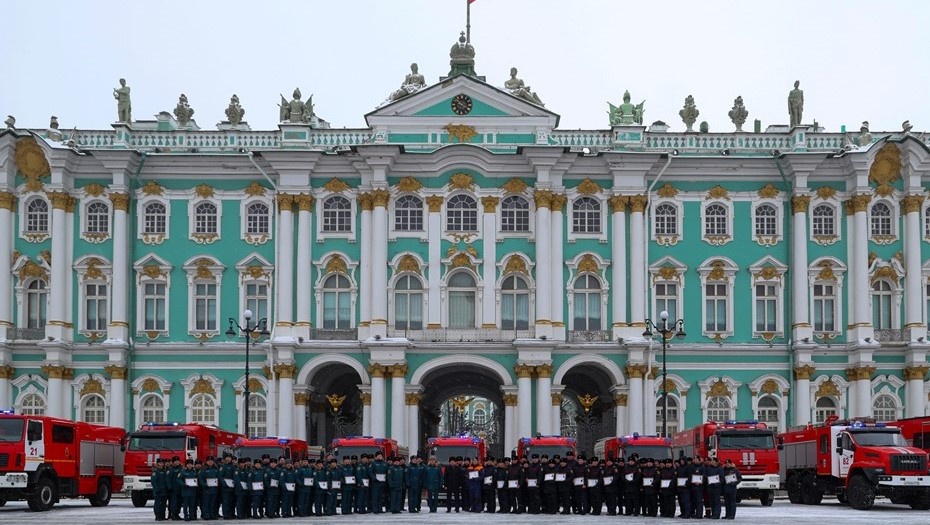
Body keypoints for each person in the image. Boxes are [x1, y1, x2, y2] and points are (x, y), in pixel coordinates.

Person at [198, 455, 219, 520]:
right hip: (206, 489)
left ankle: (212, 515)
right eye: (209, 461)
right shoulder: (203, 469)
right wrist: (204, 484)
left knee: (213, 503)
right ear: (206, 462)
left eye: (211, 461)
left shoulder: (216, 469)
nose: (210, 462)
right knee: (206, 503)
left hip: (214, 489)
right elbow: (200, 478)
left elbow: (218, 478)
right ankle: (206, 515)